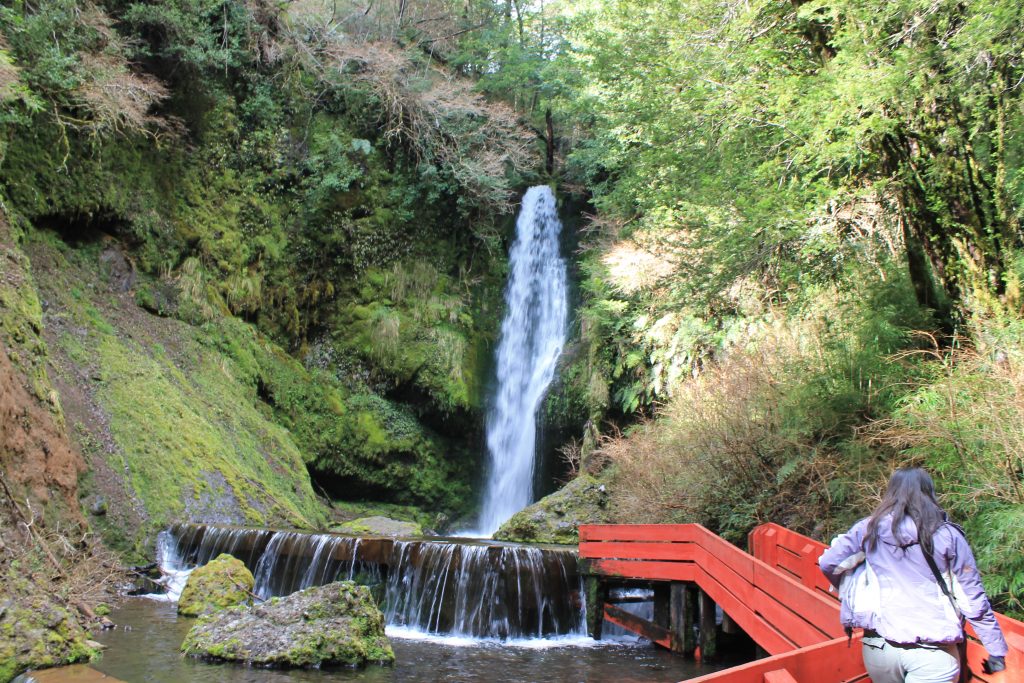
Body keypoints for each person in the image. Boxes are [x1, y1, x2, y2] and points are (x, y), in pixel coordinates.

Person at [819, 467, 1009, 683]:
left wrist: (849, 584)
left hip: (879, 649)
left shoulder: (868, 530)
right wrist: (995, 650)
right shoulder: (947, 537)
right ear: (929, 493)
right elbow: (972, 600)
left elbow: (829, 562)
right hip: (932, 653)